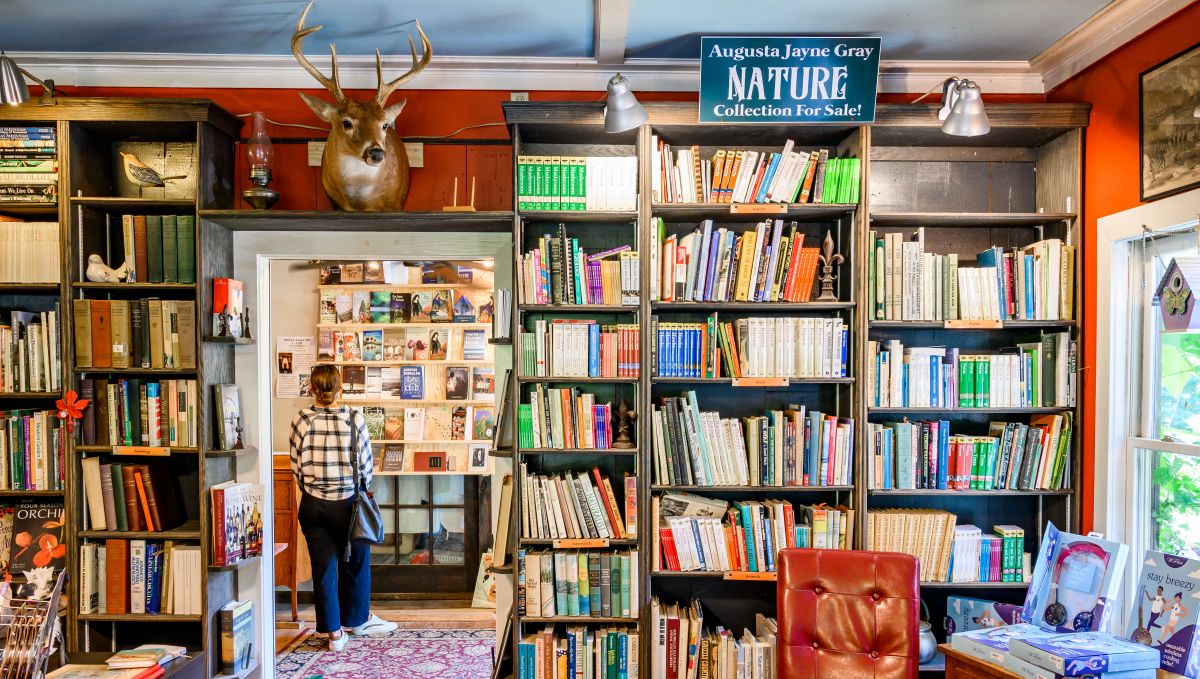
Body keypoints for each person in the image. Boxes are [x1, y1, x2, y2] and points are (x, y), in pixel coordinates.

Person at [289, 365, 397, 650]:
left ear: (312, 389)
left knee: (323, 568)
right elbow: (366, 467)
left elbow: (296, 468)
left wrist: (313, 490)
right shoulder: (354, 418)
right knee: (356, 565)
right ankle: (357, 621)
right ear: (340, 389)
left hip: (314, 505)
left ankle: (335, 635)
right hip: (349, 505)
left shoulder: (301, 420)